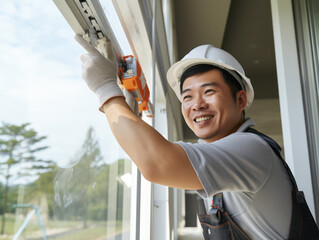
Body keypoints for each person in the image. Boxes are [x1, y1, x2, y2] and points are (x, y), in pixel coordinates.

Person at [75, 35, 318, 239]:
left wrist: (106, 89)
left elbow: (157, 163)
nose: (197, 105)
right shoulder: (222, 157)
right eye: (187, 97)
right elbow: (156, 154)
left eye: (209, 91)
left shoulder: (250, 149)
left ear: (241, 99)